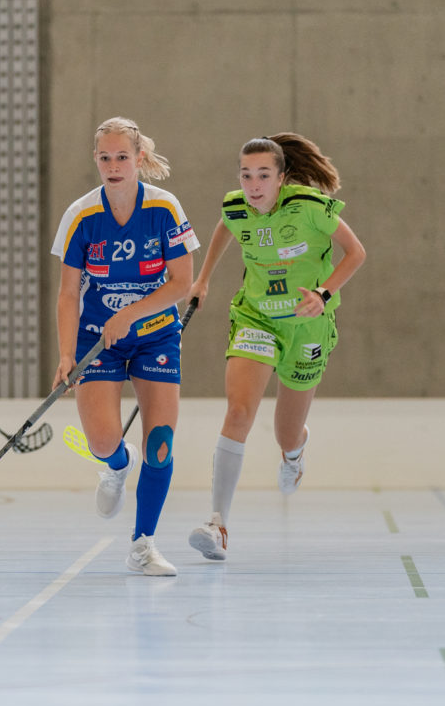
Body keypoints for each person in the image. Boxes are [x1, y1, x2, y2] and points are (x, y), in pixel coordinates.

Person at [186, 134, 367, 561]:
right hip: (257, 317)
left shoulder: (309, 207)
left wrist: (323, 293)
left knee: (286, 433)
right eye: (246, 175)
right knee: (239, 411)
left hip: (307, 327)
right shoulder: (236, 207)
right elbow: (224, 229)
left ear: (282, 178)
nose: (253, 184)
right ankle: (218, 524)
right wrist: (204, 278)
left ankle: (295, 453)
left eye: (263, 175)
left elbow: (355, 252)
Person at [52, 117, 199, 576]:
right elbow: (68, 294)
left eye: (121, 157)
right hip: (100, 340)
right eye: (104, 158)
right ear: (95, 160)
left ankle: (143, 546)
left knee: (160, 444)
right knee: (101, 441)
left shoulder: (164, 208)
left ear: (138, 158)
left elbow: (182, 283)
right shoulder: (81, 216)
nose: (113, 166)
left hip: (155, 334)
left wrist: (130, 314)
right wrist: (65, 355)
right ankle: (117, 466)